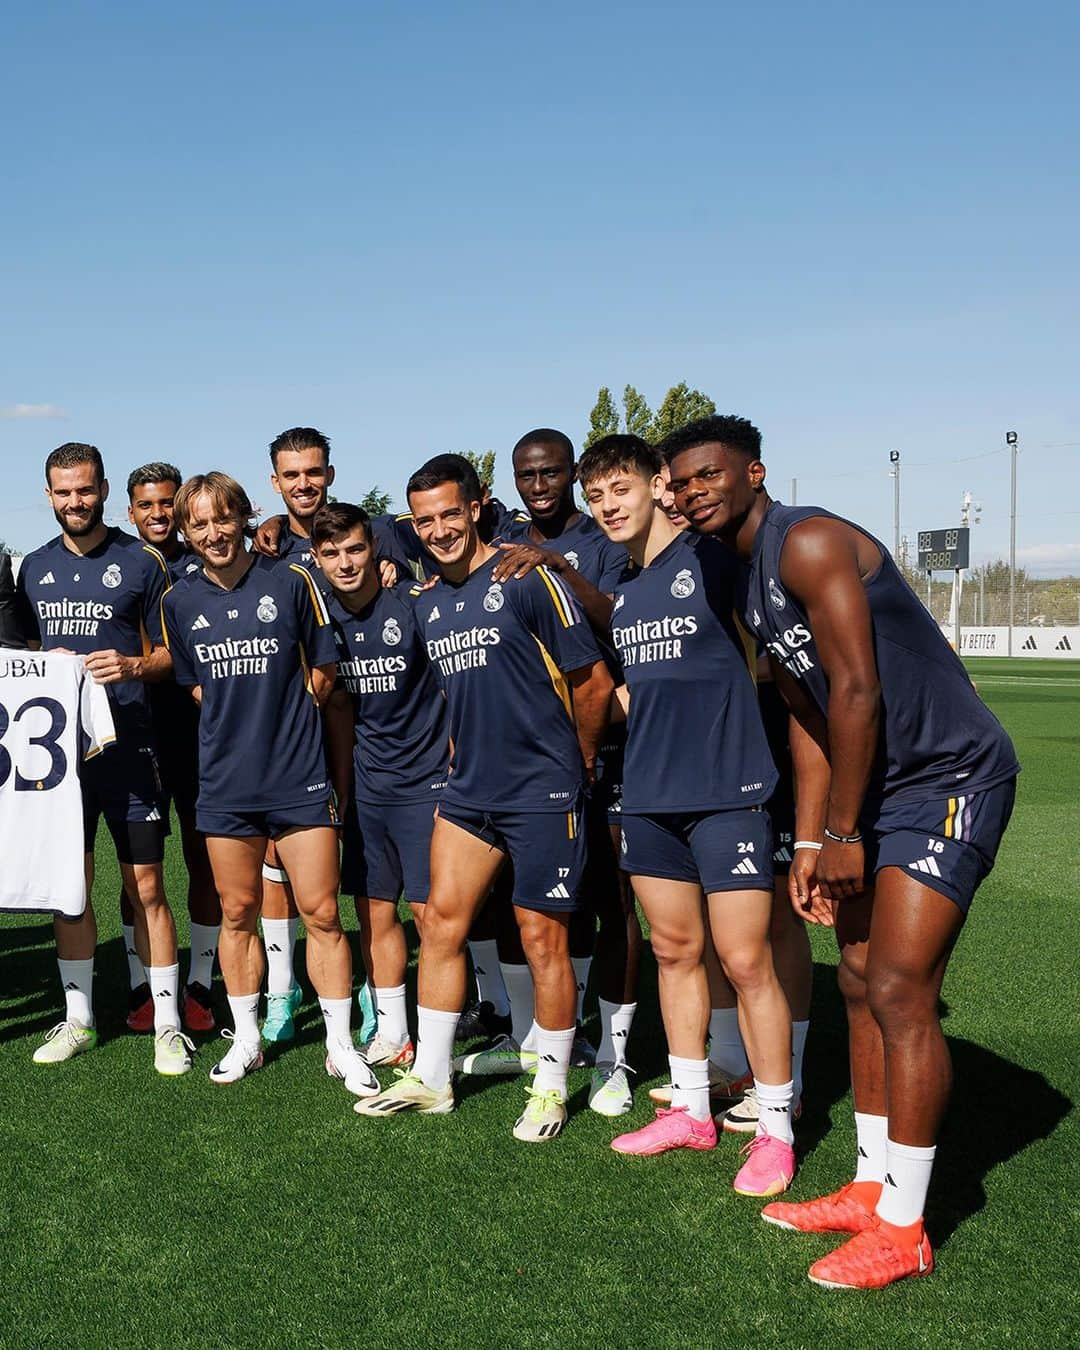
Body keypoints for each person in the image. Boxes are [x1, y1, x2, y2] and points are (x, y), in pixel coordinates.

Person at [665, 414, 1019, 1288]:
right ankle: (870, 1185)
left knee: (900, 988)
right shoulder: (745, 585)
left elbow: (857, 688)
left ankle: (907, 1226)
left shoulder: (810, 541)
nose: (693, 492)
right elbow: (811, 719)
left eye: (710, 475)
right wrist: (813, 839)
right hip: (878, 789)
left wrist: (849, 833)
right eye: (682, 483)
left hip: (951, 777)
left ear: (755, 473)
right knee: (858, 985)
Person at [355, 455, 613, 1141]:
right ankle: (432, 1079)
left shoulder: (524, 578)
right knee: (441, 924)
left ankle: (552, 1086)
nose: (438, 529)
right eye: (424, 520)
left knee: (541, 938)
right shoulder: (429, 603)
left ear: (476, 508)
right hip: (468, 791)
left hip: (541, 788)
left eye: (449, 513)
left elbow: (591, 684)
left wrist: (580, 759)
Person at [577, 434, 796, 1196]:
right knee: (674, 955)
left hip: (729, 797)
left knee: (744, 961)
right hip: (648, 799)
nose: (608, 506)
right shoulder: (629, 588)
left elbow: (771, 652)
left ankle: (775, 1129)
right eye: (596, 496)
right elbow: (645, 689)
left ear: (657, 487)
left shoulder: (711, 564)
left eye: (621, 489)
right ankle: (693, 1111)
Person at [160, 471, 377, 1097]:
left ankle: (341, 1045)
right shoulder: (179, 601)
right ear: (185, 529)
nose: (213, 533)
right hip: (226, 787)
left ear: (243, 517)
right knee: (236, 913)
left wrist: (285, 726)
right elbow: (197, 687)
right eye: (198, 523)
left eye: (222, 518)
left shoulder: (291, 580)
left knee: (321, 914)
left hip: (298, 781)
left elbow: (324, 672)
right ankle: (248, 1037)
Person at [458, 427, 641, 1115]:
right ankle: (539, 1036)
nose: (538, 486)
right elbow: (418, 527)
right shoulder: (500, 532)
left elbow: (624, 622)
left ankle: (615, 1057)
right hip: (526, 755)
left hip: (605, 740)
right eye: (526, 475)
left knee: (609, 896)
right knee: (526, 897)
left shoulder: (602, 541)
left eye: (550, 473)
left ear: (569, 474)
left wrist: (556, 568)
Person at [14, 442, 192, 1075]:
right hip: (60, 762)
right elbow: (26, 662)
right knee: (71, 888)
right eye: (63, 492)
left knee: (145, 884)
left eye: (84, 490)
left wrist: (135, 665)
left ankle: (168, 1023)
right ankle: (79, 1018)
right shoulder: (32, 566)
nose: (74, 502)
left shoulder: (141, 561)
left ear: (104, 489)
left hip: (131, 745)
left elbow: (177, 652)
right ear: (48, 494)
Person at [312, 502, 451, 1066]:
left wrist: (453, 770)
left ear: (375, 549)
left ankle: (445, 1033)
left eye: (354, 549)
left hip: (428, 786)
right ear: (317, 560)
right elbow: (340, 711)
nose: (345, 563)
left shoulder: (412, 605)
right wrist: (343, 794)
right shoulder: (323, 624)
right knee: (374, 913)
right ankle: (393, 1033)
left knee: (430, 915)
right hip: (370, 789)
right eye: (331, 554)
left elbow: (453, 690)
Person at [125, 462, 221, 1033]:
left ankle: (202, 983)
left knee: (202, 857)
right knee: (138, 869)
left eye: (167, 504)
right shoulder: (125, 566)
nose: (158, 514)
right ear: (130, 510)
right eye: (147, 505)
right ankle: (140, 982)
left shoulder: (200, 564)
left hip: (197, 738)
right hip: (133, 739)